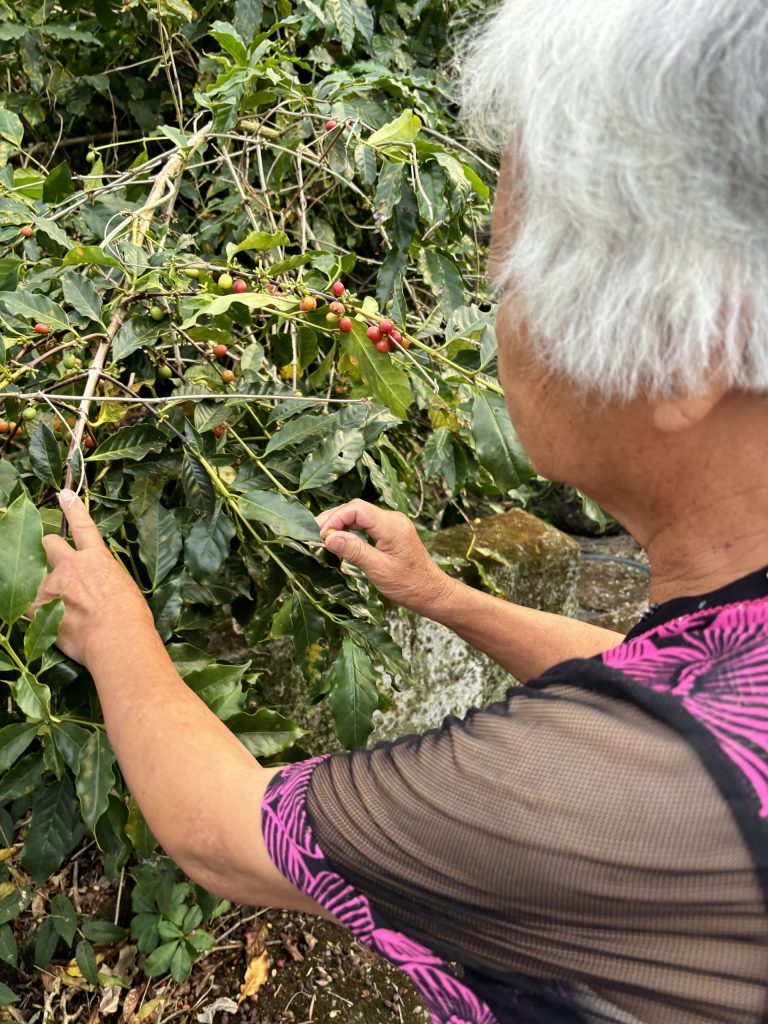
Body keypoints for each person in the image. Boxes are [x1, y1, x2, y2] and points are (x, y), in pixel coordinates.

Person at [30, 0, 768, 1020]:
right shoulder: (724, 681)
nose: (490, 299)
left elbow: (225, 833)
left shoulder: (597, 806)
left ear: (695, 340)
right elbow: (653, 689)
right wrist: (444, 594)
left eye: (507, 255)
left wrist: (112, 630)